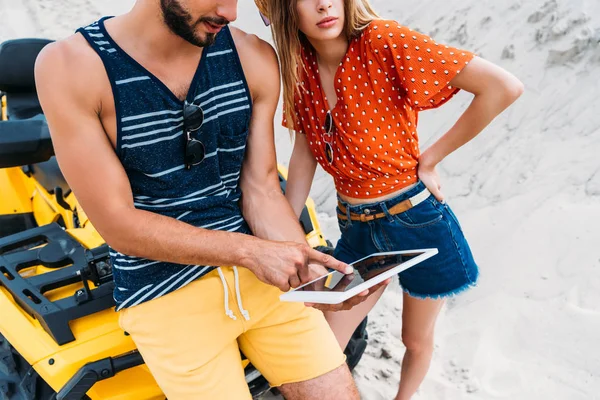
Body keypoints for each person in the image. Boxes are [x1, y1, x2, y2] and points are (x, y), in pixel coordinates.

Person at [33, 1, 374, 399]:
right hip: (163, 290)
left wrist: (306, 270)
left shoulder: (253, 58)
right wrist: (250, 253)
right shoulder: (71, 66)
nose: (230, 12)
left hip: (263, 280)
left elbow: (261, 189)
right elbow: (118, 224)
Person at [255, 0, 524, 399]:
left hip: (414, 221)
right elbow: (304, 152)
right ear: (282, 11)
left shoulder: (383, 41)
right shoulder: (298, 69)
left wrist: (431, 159)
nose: (324, 4)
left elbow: (503, 87)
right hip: (356, 228)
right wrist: (286, 235)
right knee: (325, 343)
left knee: (414, 339)